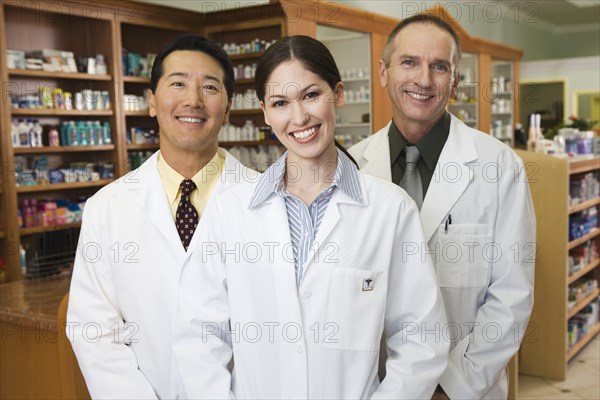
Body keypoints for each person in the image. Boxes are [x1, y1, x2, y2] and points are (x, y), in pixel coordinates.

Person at [173, 35, 448, 400]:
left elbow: (420, 338)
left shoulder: (390, 210)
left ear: (338, 94)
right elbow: (199, 336)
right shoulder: (230, 211)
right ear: (265, 112)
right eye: (281, 103)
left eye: (311, 95)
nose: (299, 116)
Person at [349, 14, 536, 400]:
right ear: (383, 72)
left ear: (454, 80)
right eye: (409, 62)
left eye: (439, 66)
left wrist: (450, 387)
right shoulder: (351, 167)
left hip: (462, 387)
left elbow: (511, 296)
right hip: (373, 385)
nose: (423, 79)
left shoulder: (498, 166)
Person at [66, 34, 257, 399]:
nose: (193, 100)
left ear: (228, 107)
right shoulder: (107, 207)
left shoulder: (267, 202)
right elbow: (94, 331)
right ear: (152, 101)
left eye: (210, 87)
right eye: (178, 83)